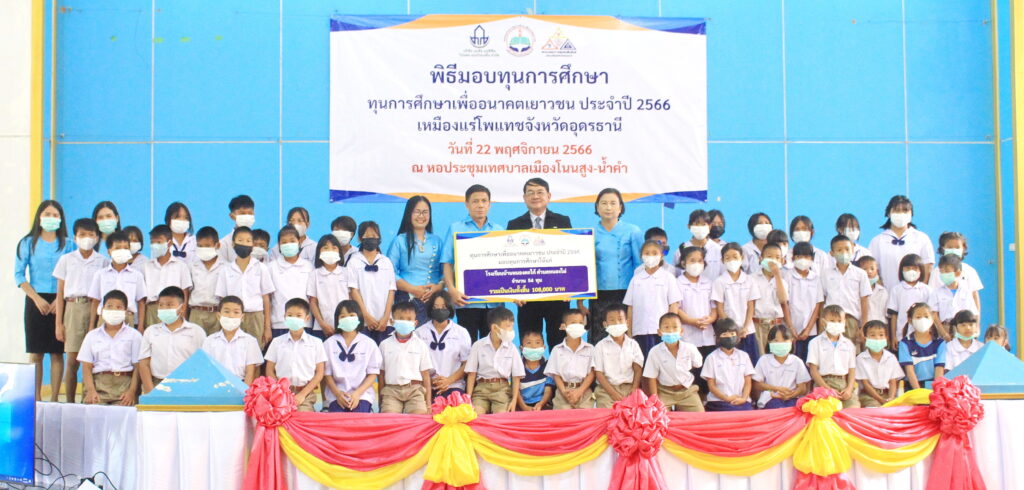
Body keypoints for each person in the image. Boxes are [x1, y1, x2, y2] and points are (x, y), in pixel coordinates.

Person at [16, 200, 74, 401]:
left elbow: (73, 274)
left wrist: (60, 299)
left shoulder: (69, 244)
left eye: (55, 215)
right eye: (47, 214)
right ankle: (36, 398)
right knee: (36, 353)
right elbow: (19, 275)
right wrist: (36, 298)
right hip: (35, 299)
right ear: (39, 217)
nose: (51, 218)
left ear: (61, 219)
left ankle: (55, 398)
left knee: (57, 353)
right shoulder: (27, 243)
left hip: (60, 299)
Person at [506, 178, 572, 346]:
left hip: (557, 294)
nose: (535, 196)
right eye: (531, 193)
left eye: (540, 192)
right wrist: (514, 292)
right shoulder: (514, 225)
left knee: (559, 342)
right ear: (524, 197)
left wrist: (570, 287)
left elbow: (571, 255)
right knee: (530, 343)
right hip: (527, 296)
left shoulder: (563, 221)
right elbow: (508, 262)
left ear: (548, 196)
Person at [53, 218, 108, 402]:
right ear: (75, 238)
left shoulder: (103, 261)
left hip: (94, 308)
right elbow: (60, 293)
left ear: (97, 238)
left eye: (91, 235)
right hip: (73, 308)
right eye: (82, 235)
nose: (87, 238)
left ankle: (88, 399)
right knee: (72, 360)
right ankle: (70, 401)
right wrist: (58, 324)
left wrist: (95, 321)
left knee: (92, 360)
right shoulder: (66, 260)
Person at [441, 184, 505, 341]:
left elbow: (506, 265)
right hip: (466, 301)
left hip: (494, 303)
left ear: (490, 204)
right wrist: (452, 290)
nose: (480, 205)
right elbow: (447, 262)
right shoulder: (456, 228)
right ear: (467, 204)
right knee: (467, 346)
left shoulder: (499, 230)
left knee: (493, 346)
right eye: (475, 201)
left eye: (484, 201)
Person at [586, 188, 643, 345]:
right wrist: (580, 300)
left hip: (626, 293)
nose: (608, 207)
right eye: (604, 203)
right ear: (597, 207)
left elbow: (639, 265)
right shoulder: (589, 233)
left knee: (625, 337)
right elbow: (584, 268)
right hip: (599, 294)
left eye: (613, 203)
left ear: (620, 207)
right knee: (599, 338)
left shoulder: (633, 231)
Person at [77, 290, 141, 406]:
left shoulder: (134, 335)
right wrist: (91, 390)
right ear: (102, 310)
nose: (114, 310)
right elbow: (86, 366)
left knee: (123, 415)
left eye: (119, 307)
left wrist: (132, 392)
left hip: (124, 388)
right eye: (109, 306)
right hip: (98, 386)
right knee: (94, 413)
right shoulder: (92, 336)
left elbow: (138, 367)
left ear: (126, 312)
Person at [215, 227, 275, 348]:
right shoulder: (226, 270)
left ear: (252, 245)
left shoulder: (261, 268)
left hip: (255, 316)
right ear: (233, 244)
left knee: (256, 351)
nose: (244, 244)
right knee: (232, 349)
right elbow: (222, 299)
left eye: (248, 241)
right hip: (232, 317)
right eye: (240, 240)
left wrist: (267, 327)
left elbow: (266, 298)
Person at [387, 196, 444, 325]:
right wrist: (413, 289)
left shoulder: (437, 241)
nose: (421, 216)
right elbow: (390, 273)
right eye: (417, 212)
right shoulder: (399, 241)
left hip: (434, 301)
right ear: (409, 214)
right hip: (407, 301)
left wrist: (437, 287)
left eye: (425, 212)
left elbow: (446, 272)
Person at [138, 287, 207, 393]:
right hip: (157, 384)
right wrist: (151, 392)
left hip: (186, 386)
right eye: (161, 305)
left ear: (182, 308)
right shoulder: (151, 331)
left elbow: (203, 364)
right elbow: (144, 363)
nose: (164, 308)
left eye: (169, 305)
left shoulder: (196, 332)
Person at [265, 298, 326, 411]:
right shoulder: (277, 342)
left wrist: (302, 394)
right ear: (284, 317)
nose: (294, 319)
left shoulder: (316, 343)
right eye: (290, 315)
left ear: (307, 318)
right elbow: (269, 369)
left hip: (305, 393)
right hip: (280, 392)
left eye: (298, 315)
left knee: (303, 415)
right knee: (278, 416)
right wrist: (280, 390)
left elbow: (320, 373)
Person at [624, 240, 682, 356]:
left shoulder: (668, 277)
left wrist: (671, 329)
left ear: (661, 256)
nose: (651, 256)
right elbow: (630, 307)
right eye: (647, 253)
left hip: (661, 331)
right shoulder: (636, 279)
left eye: (655, 253)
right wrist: (629, 333)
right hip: (640, 330)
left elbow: (673, 305)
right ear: (641, 256)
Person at [322, 300, 381, 412]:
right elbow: (327, 374)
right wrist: (338, 394)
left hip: (362, 395)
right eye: (343, 316)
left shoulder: (369, 343)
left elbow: (373, 373)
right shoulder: (329, 344)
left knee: (358, 418)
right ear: (337, 320)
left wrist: (357, 394)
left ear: (359, 317)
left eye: (351, 315)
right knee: (338, 419)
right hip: (336, 395)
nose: (347, 319)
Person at [466, 307, 524, 414]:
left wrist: (514, 400)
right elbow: (471, 374)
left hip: (502, 390)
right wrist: (468, 399)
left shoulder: (512, 348)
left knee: (501, 416)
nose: (511, 330)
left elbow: (516, 377)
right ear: (494, 328)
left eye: (512, 326)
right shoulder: (478, 345)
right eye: (508, 326)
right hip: (481, 389)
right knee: (477, 414)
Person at [868, 195, 936, 289]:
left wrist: (919, 291)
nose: (901, 214)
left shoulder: (922, 238)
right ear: (889, 213)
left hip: (916, 294)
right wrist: (882, 292)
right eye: (897, 210)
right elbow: (871, 269)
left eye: (905, 211)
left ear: (911, 214)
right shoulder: (877, 241)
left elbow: (928, 268)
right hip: (886, 294)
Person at [346, 220, 397, 344]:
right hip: (363, 321)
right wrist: (366, 316)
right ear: (360, 239)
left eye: (374, 236)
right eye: (367, 236)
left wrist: (386, 317)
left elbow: (391, 290)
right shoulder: (354, 261)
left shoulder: (386, 262)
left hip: (384, 322)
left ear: (379, 238)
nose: (371, 239)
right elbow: (353, 290)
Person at [414, 291, 472, 398]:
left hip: (454, 386)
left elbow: (467, 363)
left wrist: (449, 380)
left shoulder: (461, 332)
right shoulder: (419, 333)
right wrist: (429, 380)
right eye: (436, 307)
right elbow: (415, 363)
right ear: (430, 309)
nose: (440, 310)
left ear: (450, 308)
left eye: (444, 307)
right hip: (427, 386)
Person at [379, 301, 433, 414]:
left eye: (409, 319)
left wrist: (428, 404)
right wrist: (380, 401)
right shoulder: (384, 345)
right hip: (391, 390)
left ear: (415, 323)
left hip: (415, 390)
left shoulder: (421, 345)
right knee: (389, 417)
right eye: (401, 318)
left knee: (419, 417)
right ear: (392, 321)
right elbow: (381, 374)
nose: (405, 322)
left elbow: (425, 375)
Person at [643, 313, 705, 412]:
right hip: (664, 391)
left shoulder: (690, 348)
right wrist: (655, 399)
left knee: (699, 415)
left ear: (681, 331)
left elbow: (697, 364)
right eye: (666, 327)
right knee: (659, 416)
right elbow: (651, 377)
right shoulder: (654, 351)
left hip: (687, 390)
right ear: (659, 332)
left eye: (675, 327)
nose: (671, 331)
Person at [712, 242, 761, 362]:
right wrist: (733, 329)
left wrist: (745, 327)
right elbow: (720, 308)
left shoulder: (749, 280)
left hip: (747, 331)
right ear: (722, 260)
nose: (731, 261)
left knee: (751, 363)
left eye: (735, 257)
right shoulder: (719, 281)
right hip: (728, 333)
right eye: (727, 258)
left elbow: (751, 307)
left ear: (742, 258)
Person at [87, 231, 147, 330]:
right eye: (118, 248)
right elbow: (95, 301)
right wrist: (91, 326)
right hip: (105, 317)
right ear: (109, 251)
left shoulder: (137, 275)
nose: (122, 251)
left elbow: (141, 302)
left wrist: (140, 326)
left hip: (127, 318)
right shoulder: (100, 274)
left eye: (126, 248)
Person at [821, 234, 872, 347]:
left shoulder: (860, 274)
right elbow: (822, 299)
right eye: (839, 250)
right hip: (830, 320)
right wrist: (821, 322)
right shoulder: (825, 274)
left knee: (851, 351)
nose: (844, 253)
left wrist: (864, 325)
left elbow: (864, 300)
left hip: (851, 320)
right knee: (829, 351)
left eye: (847, 249)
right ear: (832, 253)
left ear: (852, 250)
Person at [201, 295, 263, 385]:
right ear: (218, 316)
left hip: (241, 385)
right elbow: (206, 368)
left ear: (242, 317)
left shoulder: (250, 341)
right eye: (226, 311)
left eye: (236, 312)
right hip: (216, 385)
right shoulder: (210, 340)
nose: (231, 316)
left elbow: (250, 372)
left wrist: (244, 391)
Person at [592, 304, 643, 408]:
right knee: (607, 414)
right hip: (606, 390)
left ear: (627, 322)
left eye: (620, 319)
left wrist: (634, 389)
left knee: (634, 413)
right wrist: (613, 394)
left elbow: (638, 370)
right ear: (605, 324)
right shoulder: (600, 346)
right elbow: (599, 374)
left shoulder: (633, 344)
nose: (616, 323)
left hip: (629, 388)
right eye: (612, 320)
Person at [268, 225, 315, 338]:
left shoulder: (308, 266)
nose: (288, 244)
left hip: (304, 323)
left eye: (292, 241)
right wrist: (267, 326)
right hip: (279, 323)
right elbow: (267, 299)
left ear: (299, 243)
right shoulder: (271, 267)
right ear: (279, 245)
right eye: (284, 242)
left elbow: (312, 297)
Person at [807, 305, 859, 408]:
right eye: (832, 321)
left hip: (843, 384)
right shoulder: (815, 343)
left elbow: (852, 370)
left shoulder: (849, 344)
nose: (836, 324)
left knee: (853, 408)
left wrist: (849, 389)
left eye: (839, 321)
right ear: (823, 322)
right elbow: (813, 371)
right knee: (826, 410)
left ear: (844, 322)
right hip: (823, 383)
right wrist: (828, 389)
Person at [142, 225, 193, 328]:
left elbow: (185, 293)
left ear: (170, 243)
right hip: (152, 309)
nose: (155, 245)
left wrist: (183, 315)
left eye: (159, 242)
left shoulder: (181, 266)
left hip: (173, 310)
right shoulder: (146, 266)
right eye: (152, 242)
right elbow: (143, 297)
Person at [675, 246, 717, 369]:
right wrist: (692, 321)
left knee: (707, 369)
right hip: (688, 335)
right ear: (683, 263)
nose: (696, 264)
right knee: (690, 370)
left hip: (707, 334)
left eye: (700, 261)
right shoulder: (677, 283)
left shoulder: (708, 282)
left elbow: (714, 307)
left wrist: (710, 319)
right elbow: (677, 308)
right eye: (692, 260)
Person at [886, 254, 942, 345]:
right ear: (901, 270)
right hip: (902, 336)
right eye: (907, 268)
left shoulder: (927, 290)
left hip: (924, 335)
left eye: (915, 268)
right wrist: (894, 337)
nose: (911, 271)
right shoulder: (896, 290)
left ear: (921, 270)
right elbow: (894, 315)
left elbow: (932, 314)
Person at [545, 309, 595, 409]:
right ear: (563, 326)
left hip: (584, 391)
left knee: (586, 417)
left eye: (580, 323)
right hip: (563, 392)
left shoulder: (590, 348)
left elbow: (592, 373)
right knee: (563, 417)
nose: (578, 325)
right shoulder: (557, 350)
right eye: (573, 322)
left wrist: (580, 391)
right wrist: (564, 392)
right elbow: (555, 374)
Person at [701, 318, 755, 411]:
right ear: (718, 338)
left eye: (732, 334)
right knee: (732, 412)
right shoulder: (711, 358)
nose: (729, 337)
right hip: (718, 401)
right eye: (724, 334)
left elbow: (748, 382)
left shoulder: (744, 356)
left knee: (748, 413)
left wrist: (744, 398)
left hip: (741, 399)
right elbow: (712, 386)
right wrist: (726, 398)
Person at [752, 325, 810, 409]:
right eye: (776, 341)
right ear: (769, 342)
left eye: (785, 340)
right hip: (770, 398)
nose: (780, 343)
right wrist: (776, 389)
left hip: (792, 398)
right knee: (776, 408)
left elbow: (802, 388)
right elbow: (757, 384)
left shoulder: (797, 361)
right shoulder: (764, 360)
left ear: (792, 341)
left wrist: (792, 395)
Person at [750, 242, 789, 358]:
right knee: (759, 358)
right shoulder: (752, 279)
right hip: (758, 325)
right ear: (761, 258)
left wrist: (777, 275)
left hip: (776, 324)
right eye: (769, 257)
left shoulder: (782, 281)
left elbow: (783, 300)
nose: (773, 261)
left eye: (777, 257)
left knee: (776, 357)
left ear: (782, 260)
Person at [787, 242, 824, 360]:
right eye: (799, 256)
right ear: (793, 258)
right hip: (790, 329)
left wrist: (808, 329)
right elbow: (784, 304)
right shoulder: (787, 276)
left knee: (809, 360)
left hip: (810, 330)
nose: (803, 260)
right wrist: (791, 328)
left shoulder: (816, 278)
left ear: (812, 259)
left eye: (806, 256)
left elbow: (818, 305)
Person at [930, 232, 982, 313]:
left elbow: (974, 295)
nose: (953, 250)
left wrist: (977, 317)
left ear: (963, 249)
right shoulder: (937, 272)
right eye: (950, 247)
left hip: (965, 318)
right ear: (943, 249)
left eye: (957, 247)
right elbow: (932, 295)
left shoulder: (969, 271)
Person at [307, 234, 347, 338]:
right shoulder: (314, 274)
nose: (330, 251)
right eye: (325, 248)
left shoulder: (347, 272)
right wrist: (322, 324)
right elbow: (313, 302)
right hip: (321, 328)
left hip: (345, 326)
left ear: (339, 252)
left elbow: (352, 299)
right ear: (319, 252)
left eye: (334, 248)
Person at [898, 302, 946, 390]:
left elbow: (939, 368)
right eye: (918, 317)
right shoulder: (905, 343)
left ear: (932, 319)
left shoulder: (939, 343)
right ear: (910, 320)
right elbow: (909, 370)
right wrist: (918, 391)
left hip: (933, 385)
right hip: (913, 387)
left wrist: (936, 390)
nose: (922, 320)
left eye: (926, 316)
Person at [855, 320, 903, 407]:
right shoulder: (861, 359)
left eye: (881, 335)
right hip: (868, 396)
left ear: (886, 338)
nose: (877, 338)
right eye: (872, 335)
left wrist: (891, 398)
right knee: (874, 408)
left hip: (887, 394)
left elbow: (893, 382)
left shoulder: (891, 357)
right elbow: (866, 384)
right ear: (865, 338)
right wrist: (881, 400)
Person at [188, 227, 225, 335]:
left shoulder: (225, 267)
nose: (203, 249)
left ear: (217, 245)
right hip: (196, 313)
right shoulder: (192, 266)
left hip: (217, 313)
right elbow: (187, 291)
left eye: (207, 246)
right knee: (195, 344)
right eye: (200, 246)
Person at [930, 255, 979, 329]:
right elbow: (934, 314)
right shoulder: (936, 293)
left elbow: (973, 313)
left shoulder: (966, 292)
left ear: (957, 273)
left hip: (963, 327)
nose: (943, 274)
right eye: (941, 272)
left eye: (946, 271)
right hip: (945, 327)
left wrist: (975, 328)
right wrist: (943, 332)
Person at [517, 331, 555, 411]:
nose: (533, 346)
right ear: (521, 348)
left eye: (537, 343)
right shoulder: (517, 366)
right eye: (528, 343)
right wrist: (524, 407)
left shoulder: (548, 365)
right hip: (522, 404)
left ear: (544, 347)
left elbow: (548, 390)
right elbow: (516, 391)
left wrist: (541, 404)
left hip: (543, 403)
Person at [217, 194, 256, 263]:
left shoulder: (258, 240)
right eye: (242, 213)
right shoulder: (224, 243)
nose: (247, 216)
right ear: (232, 216)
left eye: (250, 213)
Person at [856, 255, 889, 325]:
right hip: (862, 326)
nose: (869, 271)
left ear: (877, 271)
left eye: (872, 268)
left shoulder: (883, 291)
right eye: (865, 269)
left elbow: (886, 314)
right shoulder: (855, 290)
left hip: (880, 326)